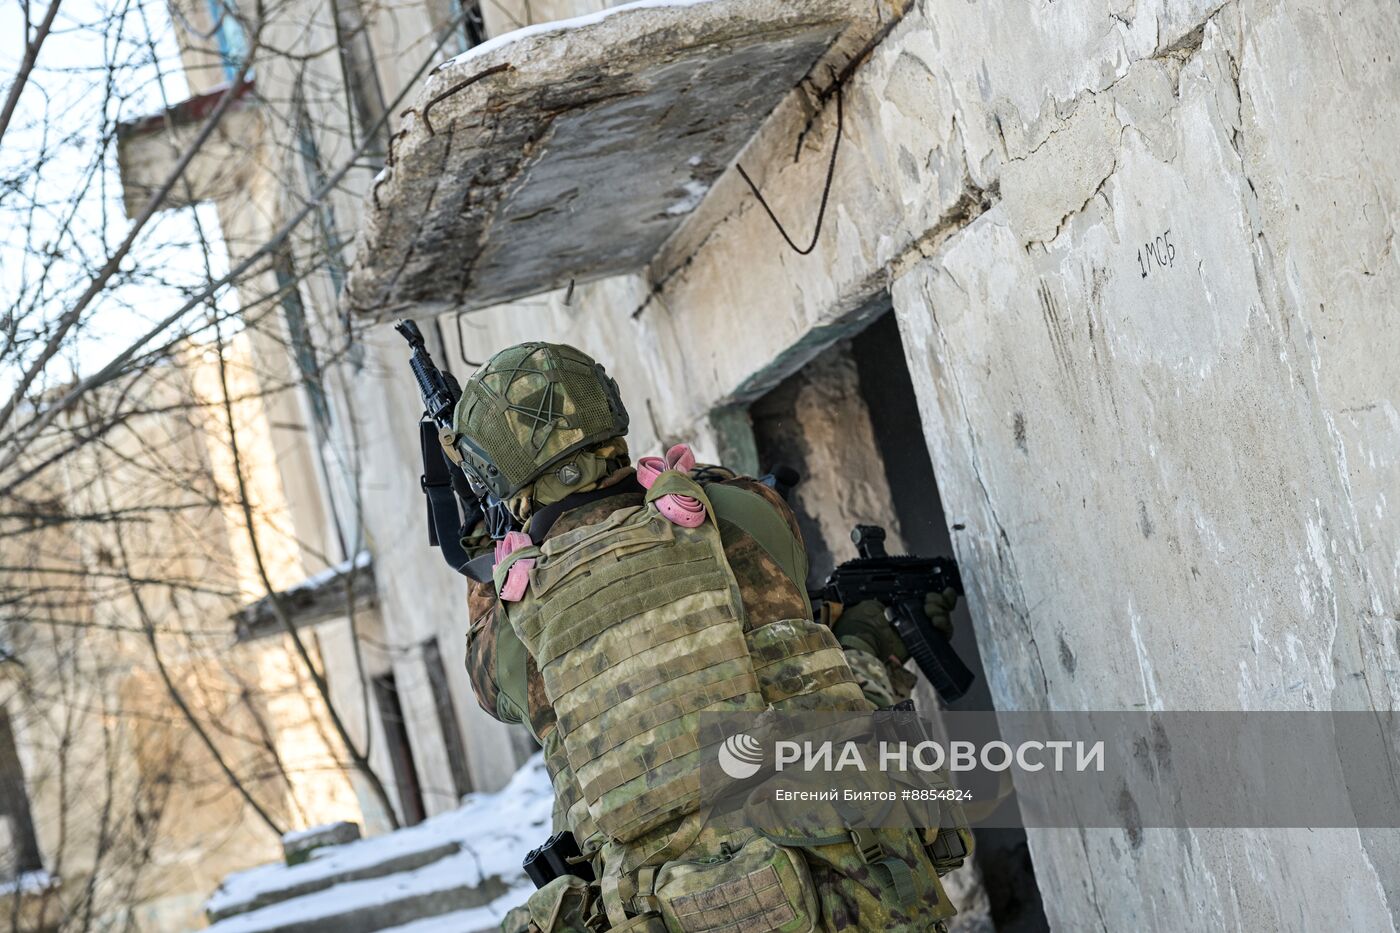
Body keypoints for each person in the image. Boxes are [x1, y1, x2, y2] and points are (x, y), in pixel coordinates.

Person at [452, 342, 970, 932]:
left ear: (494, 472)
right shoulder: (727, 509)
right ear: (608, 409)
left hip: (677, 908)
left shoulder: (512, 620)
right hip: (853, 883)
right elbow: (785, 584)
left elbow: (497, 692)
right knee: (838, 655)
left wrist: (487, 561)